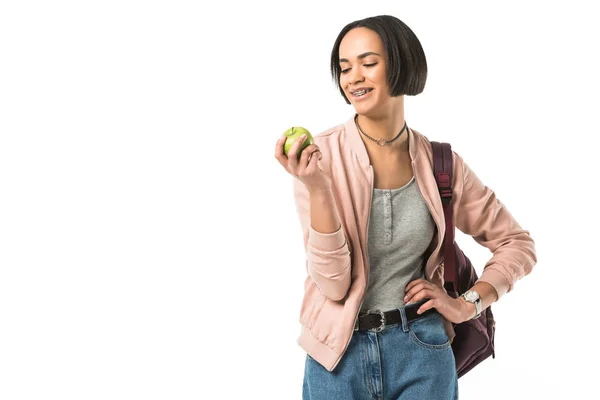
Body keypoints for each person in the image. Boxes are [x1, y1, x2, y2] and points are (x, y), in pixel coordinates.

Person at [274, 14, 537, 400]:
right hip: (336, 359)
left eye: (368, 63)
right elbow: (333, 284)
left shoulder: (441, 164)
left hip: (422, 351)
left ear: (400, 63)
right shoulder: (319, 158)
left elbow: (517, 243)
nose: (353, 78)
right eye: (345, 68)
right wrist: (318, 189)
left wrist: (469, 304)